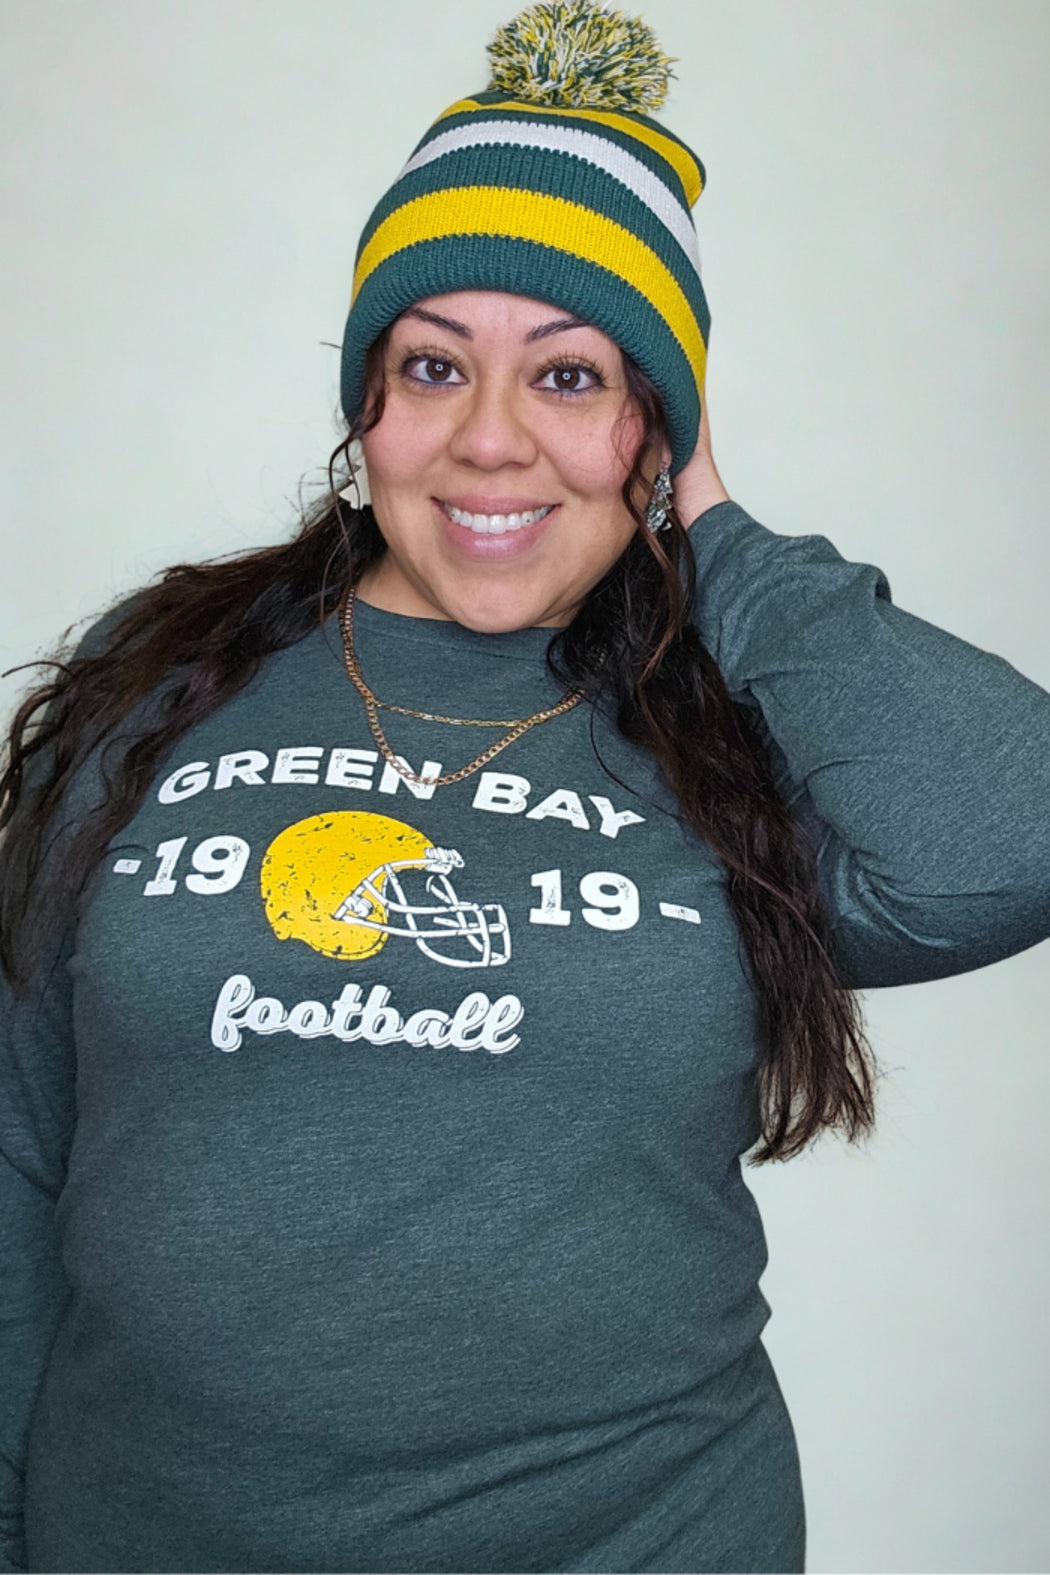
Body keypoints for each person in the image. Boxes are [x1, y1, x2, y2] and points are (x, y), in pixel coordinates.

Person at [1, 3, 1048, 1572]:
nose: (490, 441)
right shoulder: (163, 679)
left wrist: (717, 533)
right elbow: (18, 1141)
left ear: (653, 428)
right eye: (433, 366)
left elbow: (1010, 836)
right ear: (364, 404)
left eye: (569, 378)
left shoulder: (727, 724)